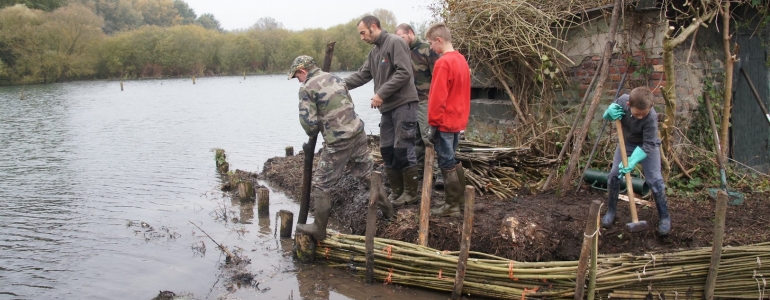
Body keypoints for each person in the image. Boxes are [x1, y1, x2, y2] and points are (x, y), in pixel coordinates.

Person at [288, 55, 394, 241]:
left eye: (297, 76)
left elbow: (309, 124)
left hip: (338, 141)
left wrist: (316, 130)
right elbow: (349, 104)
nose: (298, 80)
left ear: (303, 71)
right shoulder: (336, 78)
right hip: (357, 132)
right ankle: (390, 213)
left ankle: (319, 228)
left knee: (321, 182)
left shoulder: (307, 87)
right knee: (367, 173)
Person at [344, 16, 421, 206]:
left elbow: (404, 72)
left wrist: (381, 93)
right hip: (387, 108)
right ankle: (397, 193)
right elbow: (361, 76)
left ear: (373, 27)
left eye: (363, 32)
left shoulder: (395, 43)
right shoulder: (374, 53)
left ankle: (411, 194)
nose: (362, 37)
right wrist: (335, 85)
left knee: (403, 148)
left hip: (404, 103)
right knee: (387, 150)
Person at [600, 87, 671, 236]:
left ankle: (664, 217)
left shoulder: (651, 117)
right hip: (626, 144)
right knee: (614, 175)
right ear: (628, 104)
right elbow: (608, 115)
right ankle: (611, 211)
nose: (640, 117)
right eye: (637, 114)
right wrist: (608, 113)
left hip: (647, 146)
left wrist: (632, 161)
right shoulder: (621, 101)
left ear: (650, 107)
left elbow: (649, 144)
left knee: (655, 181)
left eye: (643, 114)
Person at [423, 23, 471, 217]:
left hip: (445, 121)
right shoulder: (461, 60)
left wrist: (432, 124)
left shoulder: (443, 62)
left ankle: (451, 205)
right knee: (452, 158)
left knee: (445, 161)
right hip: (458, 120)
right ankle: (459, 200)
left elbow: (437, 97)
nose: (431, 48)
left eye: (431, 44)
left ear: (439, 40)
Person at [394, 23, 443, 191]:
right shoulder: (402, 52)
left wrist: (436, 100)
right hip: (409, 102)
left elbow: (438, 75)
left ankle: (438, 173)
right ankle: (421, 171)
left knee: (428, 137)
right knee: (415, 139)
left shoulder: (425, 49)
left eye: (402, 37)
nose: (400, 41)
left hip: (425, 100)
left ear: (410, 33)